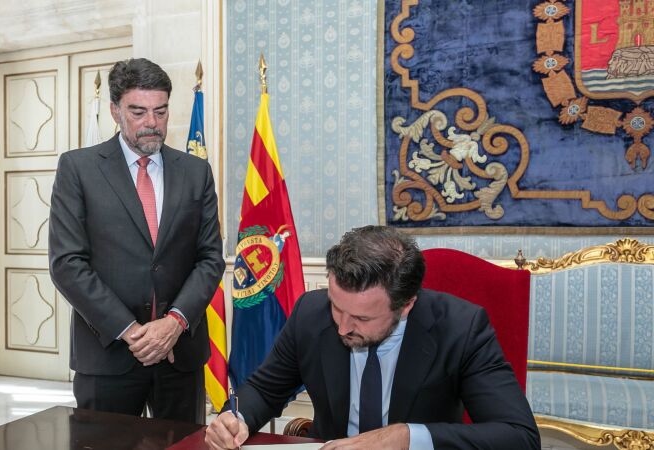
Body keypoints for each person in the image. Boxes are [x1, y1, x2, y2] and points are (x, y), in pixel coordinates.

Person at [205, 225, 540, 449]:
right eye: (337, 307)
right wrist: (235, 418)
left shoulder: (460, 327)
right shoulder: (310, 312)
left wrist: (406, 437)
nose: (342, 327)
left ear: (406, 305)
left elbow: (518, 436)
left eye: (362, 318)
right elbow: (265, 389)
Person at [49, 58, 224, 424]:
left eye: (160, 111)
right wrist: (132, 332)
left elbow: (210, 259)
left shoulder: (196, 172)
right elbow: (67, 264)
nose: (151, 123)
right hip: (107, 356)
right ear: (115, 111)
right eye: (138, 111)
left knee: (184, 446)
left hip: (179, 355)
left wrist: (174, 323)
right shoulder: (78, 169)